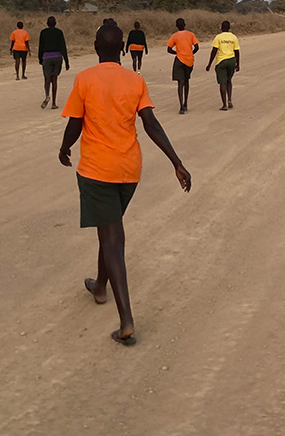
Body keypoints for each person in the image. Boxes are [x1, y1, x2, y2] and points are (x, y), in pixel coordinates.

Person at [58, 23, 191, 346]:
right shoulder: (136, 80)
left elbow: (76, 122)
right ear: (121, 49)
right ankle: (100, 286)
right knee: (110, 227)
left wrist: (64, 148)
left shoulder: (84, 79)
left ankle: (127, 321)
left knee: (113, 239)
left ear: (94, 46)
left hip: (96, 170)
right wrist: (176, 161)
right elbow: (151, 123)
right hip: (129, 171)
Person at [166, 18, 199, 114]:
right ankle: (186, 103)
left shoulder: (175, 36)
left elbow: (168, 49)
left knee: (180, 83)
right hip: (189, 61)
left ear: (176, 26)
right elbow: (197, 47)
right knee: (186, 81)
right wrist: (191, 53)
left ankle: (181, 106)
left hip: (179, 60)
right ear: (185, 24)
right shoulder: (191, 34)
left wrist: (177, 53)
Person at [38, 16, 70, 109]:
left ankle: (47, 95)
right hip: (57, 57)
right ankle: (54, 103)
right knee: (54, 79)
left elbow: (41, 46)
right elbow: (63, 46)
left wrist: (40, 58)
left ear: (47, 24)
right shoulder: (59, 32)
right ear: (55, 23)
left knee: (47, 78)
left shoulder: (43, 33)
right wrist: (66, 61)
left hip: (46, 57)